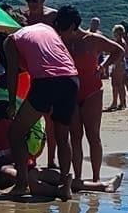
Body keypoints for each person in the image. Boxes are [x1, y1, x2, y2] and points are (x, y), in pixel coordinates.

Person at [4, 15, 81, 202]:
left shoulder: (11, 39)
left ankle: (21, 183)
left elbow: (13, 72)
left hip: (47, 81)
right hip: (71, 78)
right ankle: (64, 183)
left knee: (16, 132)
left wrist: (13, 102)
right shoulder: (47, 29)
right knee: (62, 135)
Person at [51, 5, 126, 186]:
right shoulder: (61, 41)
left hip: (92, 91)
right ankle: (77, 177)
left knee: (93, 135)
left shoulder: (92, 40)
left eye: (64, 28)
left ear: (74, 25)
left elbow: (119, 51)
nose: (61, 32)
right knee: (75, 136)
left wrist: (104, 66)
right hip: (71, 93)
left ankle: (96, 177)